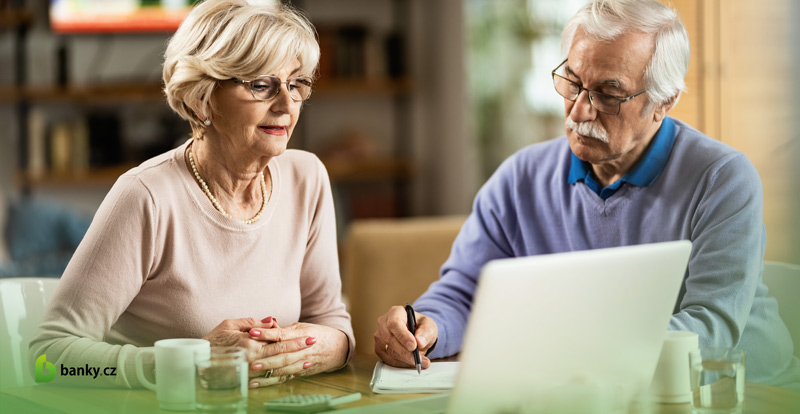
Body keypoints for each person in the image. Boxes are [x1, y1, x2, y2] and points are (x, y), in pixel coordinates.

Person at [375, 0, 800, 391]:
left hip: (741, 392)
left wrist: (568, 353)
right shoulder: (520, 178)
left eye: (608, 95)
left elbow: (708, 329)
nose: (579, 110)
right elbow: (467, 290)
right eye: (572, 83)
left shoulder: (722, 178)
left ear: (663, 102)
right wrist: (427, 327)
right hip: (591, 390)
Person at [30, 0, 354, 388]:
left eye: (296, 83)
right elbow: (49, 360)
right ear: (202, 98)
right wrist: (189, 361)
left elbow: (331, 323)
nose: (286, 104)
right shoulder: (146, 197)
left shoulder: (308, 178)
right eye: (261, 84)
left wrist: (325, 348)